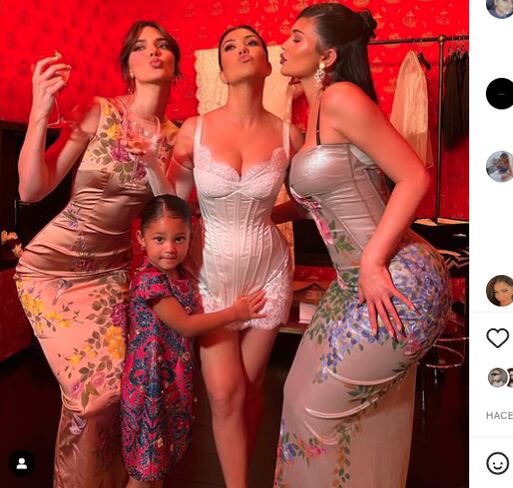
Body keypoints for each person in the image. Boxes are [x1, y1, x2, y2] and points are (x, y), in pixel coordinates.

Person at [273, 4, 452, 486]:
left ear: (327, 55)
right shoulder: (317, 109)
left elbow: (414, 176)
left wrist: (373, 262)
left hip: (396, 277)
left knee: (314, 410)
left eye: (296, 37)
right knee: (295, 398)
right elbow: (323, 200)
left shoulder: (341, 98)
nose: (283, 46)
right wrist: (261, 216)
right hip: (354, 281)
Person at [15, 21, 181, 486]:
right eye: (141, 46)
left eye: (162, 45)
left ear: (175, 66)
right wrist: (39, 111)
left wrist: (154, 163)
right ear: (128, 65)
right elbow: (32, 189)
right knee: (88, 399)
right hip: (51, 269)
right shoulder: (99, 112)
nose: (153, 51)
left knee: (114, 395)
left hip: (112, 273)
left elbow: (171, 216)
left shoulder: (177, 137)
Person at [167, 25, 302, 488]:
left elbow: (310, 200)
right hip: (211, 274)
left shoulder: (289, 135)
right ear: (221, 70)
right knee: (225, 393)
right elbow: (172, 203)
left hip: (268, 273)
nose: (242, 49)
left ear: (267, 65)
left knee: (251, 385)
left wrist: (267, 214)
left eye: (252, 44)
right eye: (230, 46)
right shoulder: (194, 130)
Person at [121, 195, 267, 487]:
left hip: (169, 382)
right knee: (144, 473)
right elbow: (186, 326)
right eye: (159, 239)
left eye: (179, 239)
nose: (170, 248)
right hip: (149, 386)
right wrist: (235, 313)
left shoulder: (180, 273)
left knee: (158, 465)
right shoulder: (150, 281)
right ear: (141, 239)